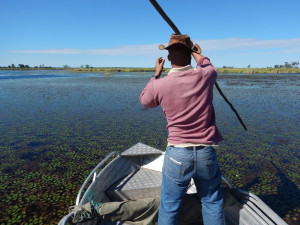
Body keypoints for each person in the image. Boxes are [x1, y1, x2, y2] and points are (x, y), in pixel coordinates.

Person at [139, 33, 225, 225]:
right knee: (212, 201)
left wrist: (156, 75)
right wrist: (197, 53)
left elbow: (145, 101)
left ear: (168, 57)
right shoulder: (205, 75)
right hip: (206, 153)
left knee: (170, 204)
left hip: (178, 154)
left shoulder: (160, 84)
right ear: (190, 54)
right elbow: (207, 64)